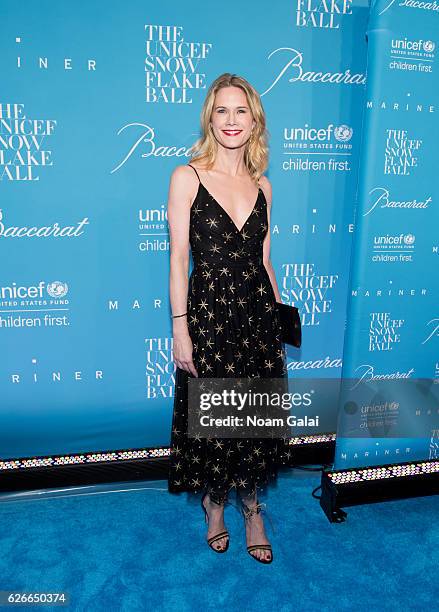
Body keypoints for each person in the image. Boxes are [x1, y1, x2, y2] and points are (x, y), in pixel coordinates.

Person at [167, 73, 289, 564]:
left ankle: (253, 507)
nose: (232, 120)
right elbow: (178, 257)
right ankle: (215, 504)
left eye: (241, 111)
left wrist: (279, 315)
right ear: (210, 118)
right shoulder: (187, 177)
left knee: (254, 416)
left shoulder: (264, 186)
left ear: (254, 119)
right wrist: (180, 327)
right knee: (217, 416)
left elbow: (264, 260)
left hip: (257, 317)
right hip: (211, 316)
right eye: (222, 110)